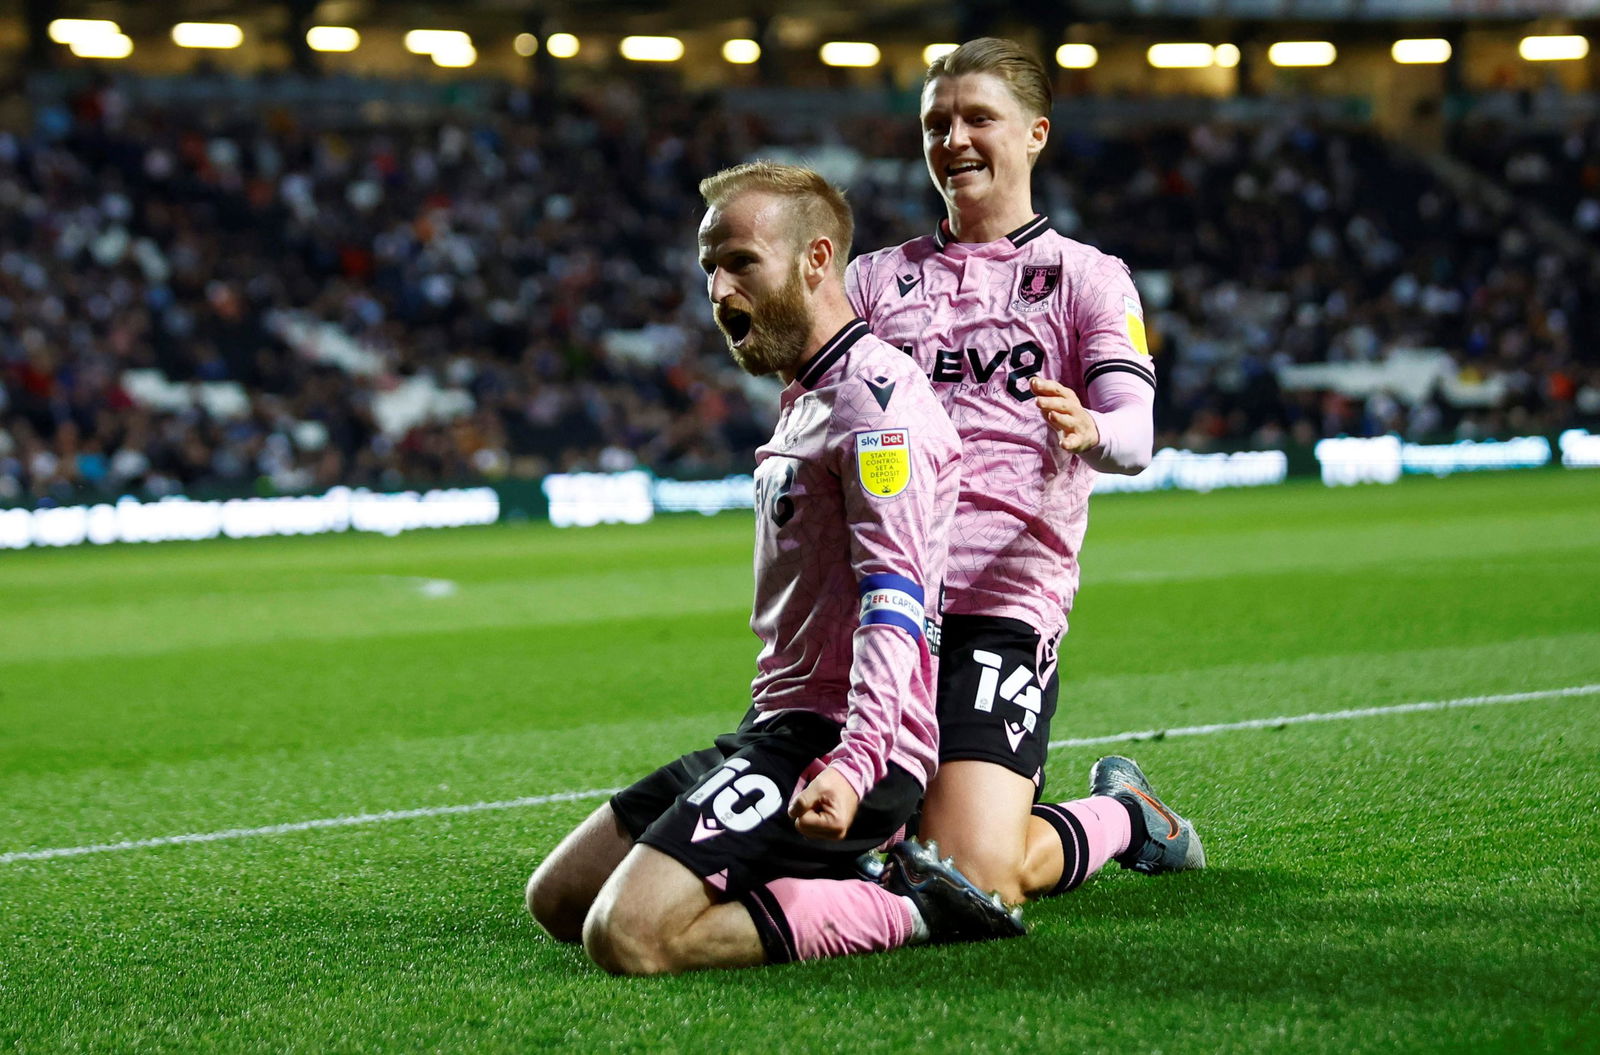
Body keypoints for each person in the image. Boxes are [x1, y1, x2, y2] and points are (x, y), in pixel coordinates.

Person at [524, 161, 1021, 975]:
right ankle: (825, 880)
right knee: (560, 898)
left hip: (843, 745)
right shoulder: (810, 393)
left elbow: (893, 601)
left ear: (816, 260)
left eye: (740, 262)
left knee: (628, 935)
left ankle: (912, 903)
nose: (718, 289)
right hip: (773, 733)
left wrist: (857, 763)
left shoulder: (874, 407)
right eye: (708, 268)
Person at [844, 38, 1205, 908]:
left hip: (1002, 605)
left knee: (977, 872)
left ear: (1035, 133)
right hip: (884, 601)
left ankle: (1125, 815)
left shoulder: (1088, 278)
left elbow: (1135, 435)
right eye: (937, 123)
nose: (954, 139)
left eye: (978, 119)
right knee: (834, 843)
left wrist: (1089, 427)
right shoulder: (872, 283)